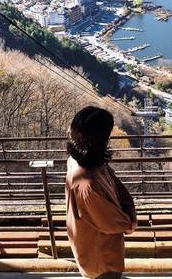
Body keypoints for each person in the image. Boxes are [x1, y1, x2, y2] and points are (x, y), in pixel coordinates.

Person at [65, 106, 138, 279]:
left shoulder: (83, 161)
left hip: (94, 244)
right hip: (100, 255)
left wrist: (129, 210)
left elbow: (115, 182)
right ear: (99, 139)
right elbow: (110, 221)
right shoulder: (86, 183)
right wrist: (130, 222)